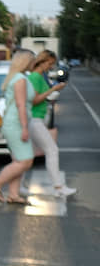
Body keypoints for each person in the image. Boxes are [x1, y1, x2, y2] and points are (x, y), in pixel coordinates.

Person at [0, 49, 38, 204]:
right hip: (15, 124)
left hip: (13, 122)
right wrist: (24, 128)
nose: (34, 63)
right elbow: (21, 105)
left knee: (18, 160)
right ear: (26, 61)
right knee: (26, 161)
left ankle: (13, 195)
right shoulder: (20, 79)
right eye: (32, 60)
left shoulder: (18, 77)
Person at [26, 50, 75, 197]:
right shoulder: (35, 77)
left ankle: (18, 187)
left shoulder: (40, 76)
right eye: (50, 64)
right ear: (43, 61)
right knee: (52, 150)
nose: (51, 67)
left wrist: (53, 91)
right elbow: (34, 99)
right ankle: (58, 188)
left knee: (27, 157)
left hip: (38, 118)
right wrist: (53, 89)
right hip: (35, 119)